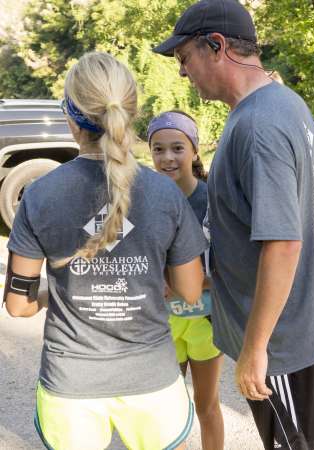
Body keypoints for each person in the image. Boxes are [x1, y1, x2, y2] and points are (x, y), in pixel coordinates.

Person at [153, 1, 314, 450]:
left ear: (216, 46)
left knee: (293, 444)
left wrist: (257, 349)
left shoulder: (260, 125)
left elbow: (284, 244)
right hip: (295, 322)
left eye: (185, 59)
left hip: (281, 340)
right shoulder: (282, 102)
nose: (183, 73)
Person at [3, 51, 207, 450]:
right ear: (131, 113)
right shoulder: (166, 194)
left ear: (69, 115)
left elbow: (18, 305)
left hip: (70, 384)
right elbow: (191, 290)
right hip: (152, 381)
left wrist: (53, 294)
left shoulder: (39, 194)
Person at [147, 110, 224, 450]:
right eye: (158, 149)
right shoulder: (143, 199)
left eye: (177, 148)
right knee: (167, 411)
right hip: (162, 324)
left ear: (194, 150)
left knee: (206, 406)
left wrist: (190, 282)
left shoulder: (214, 200)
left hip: (204, 321)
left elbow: (232, 266)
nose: (167, 158)